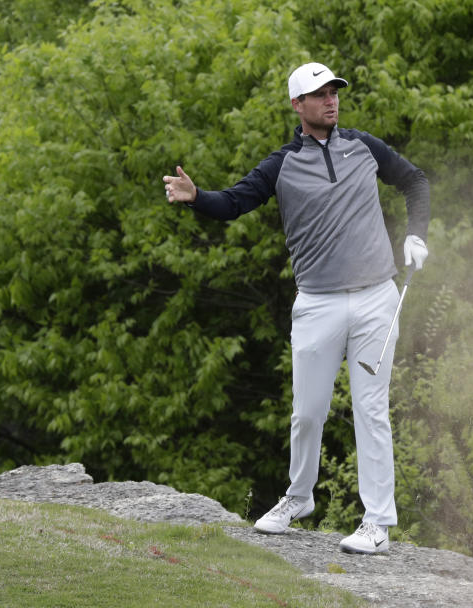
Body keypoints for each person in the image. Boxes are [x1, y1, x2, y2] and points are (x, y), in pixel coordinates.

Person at [162, 62, 429, 554]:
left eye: (334, 91)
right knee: (307, 413)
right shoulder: (281, 163)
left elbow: (415, 181)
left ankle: (377, 524)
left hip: (376, 298)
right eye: (319, 93)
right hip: (318, 303)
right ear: (297, 105)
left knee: (372, 410)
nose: (331, 100)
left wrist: (416, 233)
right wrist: (197, 196)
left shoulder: (363, 146)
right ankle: (298, 498)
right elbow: (234, 202)